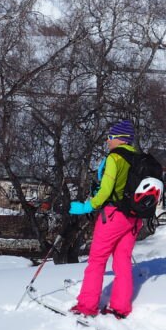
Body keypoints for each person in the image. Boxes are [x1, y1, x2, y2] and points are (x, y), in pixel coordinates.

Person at [67, 120, 141, 318]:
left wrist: (86, 206)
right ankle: (120, 307)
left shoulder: (115, 158)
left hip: (113, 216)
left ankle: (87, 306)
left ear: (120, 139)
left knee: (97, 261)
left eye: (110, 138)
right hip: (135, 218)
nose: (108, 142)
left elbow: (106, 190)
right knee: (122, 262)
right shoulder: (139, 158)